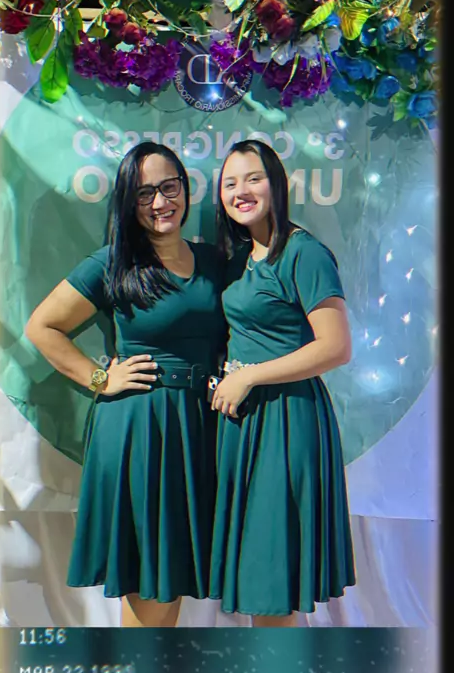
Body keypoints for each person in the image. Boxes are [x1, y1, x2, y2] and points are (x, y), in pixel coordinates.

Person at [25, 141, 225, 627]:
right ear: (128, 202)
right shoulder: (112, 263)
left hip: (199, 430)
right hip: (140, 431)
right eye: (144, 193)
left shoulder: (216, 262)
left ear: (186, 188)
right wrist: (100, 378)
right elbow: (42, 327)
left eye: (169, 187)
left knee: (174, 574)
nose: (160, 202)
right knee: (149, 581)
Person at [209, 139, 356, 627]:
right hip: (244, 425)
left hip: (287, 423)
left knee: (274, 579)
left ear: (276, 184)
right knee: (257, 576)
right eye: (230, 183)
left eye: (253, 178)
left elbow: (336, 347)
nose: (241, 191)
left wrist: (250, 376)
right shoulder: (239, 257)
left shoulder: (303, 252)